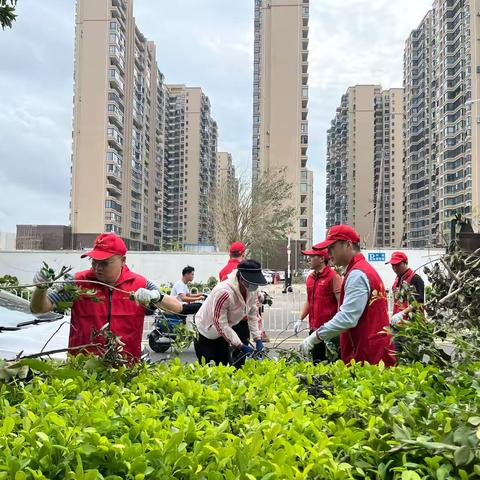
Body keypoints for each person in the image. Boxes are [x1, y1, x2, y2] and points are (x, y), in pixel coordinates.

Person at [30, 233, 182, 361]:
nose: (97, 268)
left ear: (123, 261)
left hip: (125, 367)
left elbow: (177, 307)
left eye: (104, 263)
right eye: (94, 261)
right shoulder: (78, 282)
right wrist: (41, 289)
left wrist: (156, 296)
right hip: (84, 368)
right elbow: (39, 308)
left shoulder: (140, 283)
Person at [299, 225, 396, 366]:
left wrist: (316, 336)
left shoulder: (357, 274)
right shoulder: (363, 270)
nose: (328, 253)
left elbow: (348, 317)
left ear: (348, 244)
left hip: (367, 355)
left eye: (332, 247)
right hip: (373, 350)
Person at [194, 260, 267, 366]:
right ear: (242, 279)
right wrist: (240, 345)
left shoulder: (252, 290)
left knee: (225, 366)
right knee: (209, 369)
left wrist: (258, 339)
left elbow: (252, 314)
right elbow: (220, 324)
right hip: (206, 331)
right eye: (252, 282)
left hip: (223, 333)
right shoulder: (224, 292)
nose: (255, 286)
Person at [294, 245, 342, 363]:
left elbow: (341, 303)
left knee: (330, 364)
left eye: (312, 256)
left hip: (329, 331)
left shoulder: (333, 276)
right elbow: (309, 300)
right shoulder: (310, 277)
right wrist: (300, 319)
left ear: (322, 258)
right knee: (316, 363)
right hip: (314, 330)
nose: (309, 259)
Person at [386, 251, 425, 352]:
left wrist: (403, 313)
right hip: (397, 323)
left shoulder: (415, 279)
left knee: (411, 354)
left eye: (398, 265)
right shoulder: (398, 279)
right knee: (395, 354)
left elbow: (419, 301)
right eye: (393, 265)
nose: (395, 268)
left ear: (405, 263)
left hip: (411, 324)